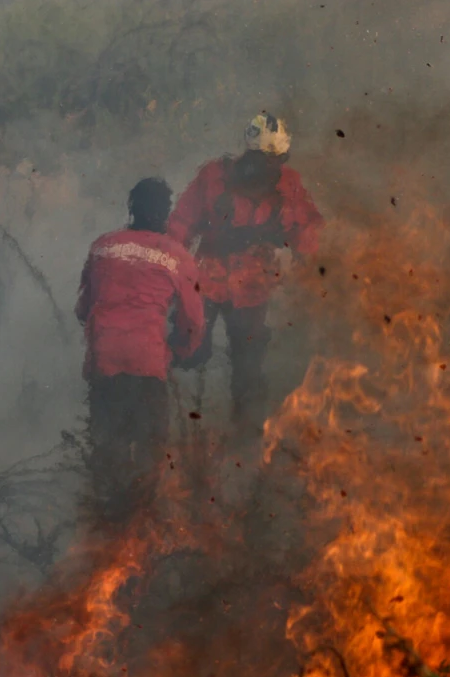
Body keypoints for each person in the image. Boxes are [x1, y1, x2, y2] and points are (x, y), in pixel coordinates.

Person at [167, 113, 323, 434]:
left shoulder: (287, 185)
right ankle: (172, 419)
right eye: (261, 158)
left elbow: (308, 226)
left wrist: (305, 261)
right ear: (247, 153)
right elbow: (180, 224)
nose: (268, 167)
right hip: (206, 281)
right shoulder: (213, 178)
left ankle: (246, 438)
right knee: (190, 352)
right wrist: (170, 270)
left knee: (248, 367)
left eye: (275, 160)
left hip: (253, 287)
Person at [75, 178, 205, 521]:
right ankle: (139, 530)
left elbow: (82, 308)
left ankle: (104, 526)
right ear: (165, 214)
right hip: (148, 364)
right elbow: (192, 321)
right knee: (150, 452)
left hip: (105, 362)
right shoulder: (176, 255)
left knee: (108, 450)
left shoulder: (102, 246)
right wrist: (180, 351)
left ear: (131, 207)